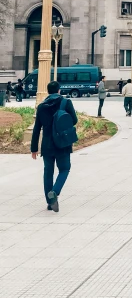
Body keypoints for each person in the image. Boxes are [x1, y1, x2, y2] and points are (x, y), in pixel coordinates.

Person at [30, 81, 78, 212]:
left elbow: (36, 129)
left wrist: (34, 148)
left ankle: (50, 202)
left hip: (47, 144)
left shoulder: (41, 106)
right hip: (62, 142)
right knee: (64, 169)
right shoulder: (65, 102)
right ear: (59, 90)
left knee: (48, 172)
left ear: (47, 91)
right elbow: (74, 120)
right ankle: (55, 192)